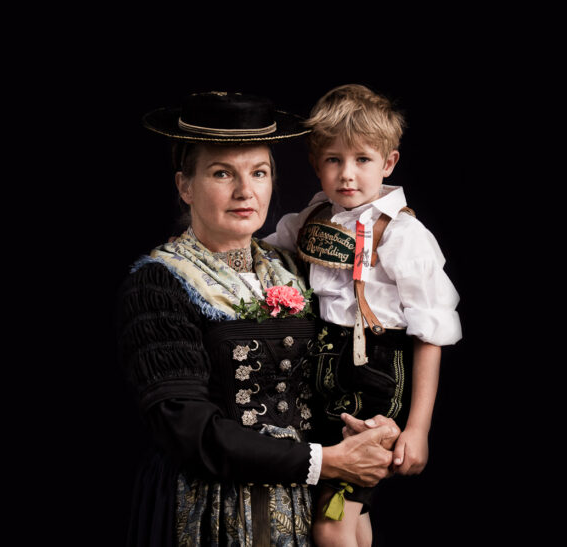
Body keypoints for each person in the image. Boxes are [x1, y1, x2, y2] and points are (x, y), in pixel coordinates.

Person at [116, 91, 401, 546]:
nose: (245, 191)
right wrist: (325, 462)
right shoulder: (159, 281)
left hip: (303, 512)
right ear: (185, 185)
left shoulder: (295, 265)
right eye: (222, 173)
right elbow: (187, 428)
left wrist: (369, 427)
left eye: (259, 173)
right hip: (209, 511)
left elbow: (329, 378)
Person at [263, 84, 463, 547]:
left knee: (329, 520)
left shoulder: (404, 235)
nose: (347, 174)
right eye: (333, 160)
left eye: (362, 160)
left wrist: (417, 428)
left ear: (388, 163)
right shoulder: (311, 219)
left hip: (376, 378)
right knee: (353, 514)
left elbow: (430, 333)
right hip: (325, 373)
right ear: (316, 164)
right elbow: (263, 254)